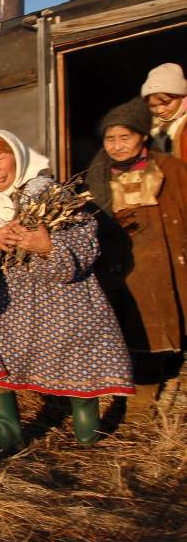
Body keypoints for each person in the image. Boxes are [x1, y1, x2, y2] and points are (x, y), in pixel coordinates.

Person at [0, 130, 134, 457]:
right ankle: (8, 434)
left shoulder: (50, 193)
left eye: (0, 157)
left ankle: (87, 430)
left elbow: (86, 241)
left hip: (58, 296)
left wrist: (47, 245)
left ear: (18, 156)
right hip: (0, 301)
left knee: (76, 343)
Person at [84, 97, 187, 417]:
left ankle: (166, 385)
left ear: (142, 135)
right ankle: (141, 401)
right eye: (110, 139)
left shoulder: (171, 169)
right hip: (123, 268)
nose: (116, 146)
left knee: (169, 325)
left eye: (124, 137)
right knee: (136, 332)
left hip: (169, 261)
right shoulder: (98, 176)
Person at [141, 63, 187, 160]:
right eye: (153, 105)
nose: (160, 110)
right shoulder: (154, 127)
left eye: (166, 103)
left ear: (181, 96)